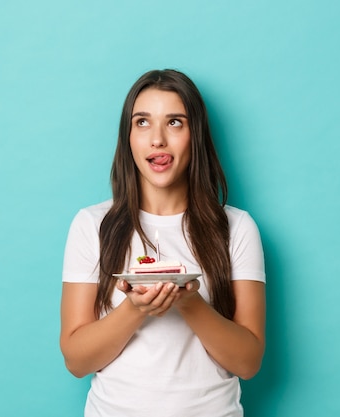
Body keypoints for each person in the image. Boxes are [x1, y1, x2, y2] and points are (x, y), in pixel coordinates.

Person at [60, 69, 266, 417]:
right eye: (142, 122)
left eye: (174, 122)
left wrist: (190, 303)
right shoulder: (92, 225)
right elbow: (76, 360)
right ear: (128, 137)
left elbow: (248, 362)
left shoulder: (236, 227)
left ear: (195, 135)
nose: (157, 139)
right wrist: (135, 308)